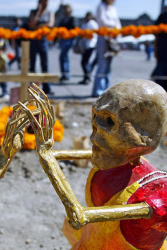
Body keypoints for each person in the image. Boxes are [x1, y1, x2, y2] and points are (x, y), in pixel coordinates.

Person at [20, 80, 167, 250]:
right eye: (95, 117)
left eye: (109, 121)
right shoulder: (112, 164)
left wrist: (46, 155)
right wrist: (46, 151)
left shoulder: (155, 193)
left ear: (145, 134)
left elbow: (79, 217)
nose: (92, 138)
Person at [92, 0, 121, 97]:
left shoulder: (113, 8)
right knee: (102, 64)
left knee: (109, 66)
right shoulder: (101, 6)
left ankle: (106, 89)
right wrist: (114, 26)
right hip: (103, 38)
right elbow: (103, 21)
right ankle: (98, 90)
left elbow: (118, 23)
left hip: (112, 39)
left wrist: (116, 29)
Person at [27, 0, 55, 94]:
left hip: (43, 40)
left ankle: (47, 87)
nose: (45, 3)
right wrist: (38, 13)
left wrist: (40, 25)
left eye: (46, 1)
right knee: (32, 64)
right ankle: (32, 87)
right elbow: (31, 25)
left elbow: (51, 24)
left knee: (45, 64)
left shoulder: (50, 12)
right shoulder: (33, 12)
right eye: (43, 1)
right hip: (34, 41)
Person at [79, 12, 98, 85]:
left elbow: (93, 33)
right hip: (85, 45)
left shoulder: (92, 23)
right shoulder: (85, 23)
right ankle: (86, 77)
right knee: (84, 62)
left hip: (91, 45)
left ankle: (88, 77)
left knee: (86, 62)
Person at [58, 4, 75, 82]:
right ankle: (64, 73)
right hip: (63, 39)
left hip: (69, 39)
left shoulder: (72, 19)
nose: (65, 10)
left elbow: (74, 29)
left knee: (64, 56)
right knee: (64, 56)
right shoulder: (62, 19)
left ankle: (66, 73)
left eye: (67, 8)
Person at [151, 10, 167, 91]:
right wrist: (155, 50)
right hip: (162, 50)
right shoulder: (162, 16)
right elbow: (156, 35)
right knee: (161, 78)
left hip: (161, 50)